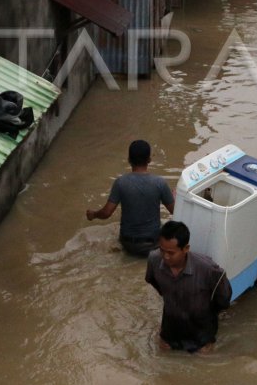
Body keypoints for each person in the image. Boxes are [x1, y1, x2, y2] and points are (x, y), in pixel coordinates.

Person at [145, 220, 232, 353]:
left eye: (171, 253)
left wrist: (208, 311)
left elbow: (224, 299)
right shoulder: (154, 260)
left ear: (186, 249)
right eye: (162, 251)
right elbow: (152, 281)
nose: (165, 257)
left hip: (200, 335)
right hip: (170, 331)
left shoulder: (209, 270)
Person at [87, 139, 174, 257]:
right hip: (153, 245)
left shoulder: (120, 183)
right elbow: (174, 211)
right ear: (149, 160)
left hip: (128, 244)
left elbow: (107, 213)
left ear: (129, 160)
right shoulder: (160, 183)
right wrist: (175, 197)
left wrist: (93, 214)